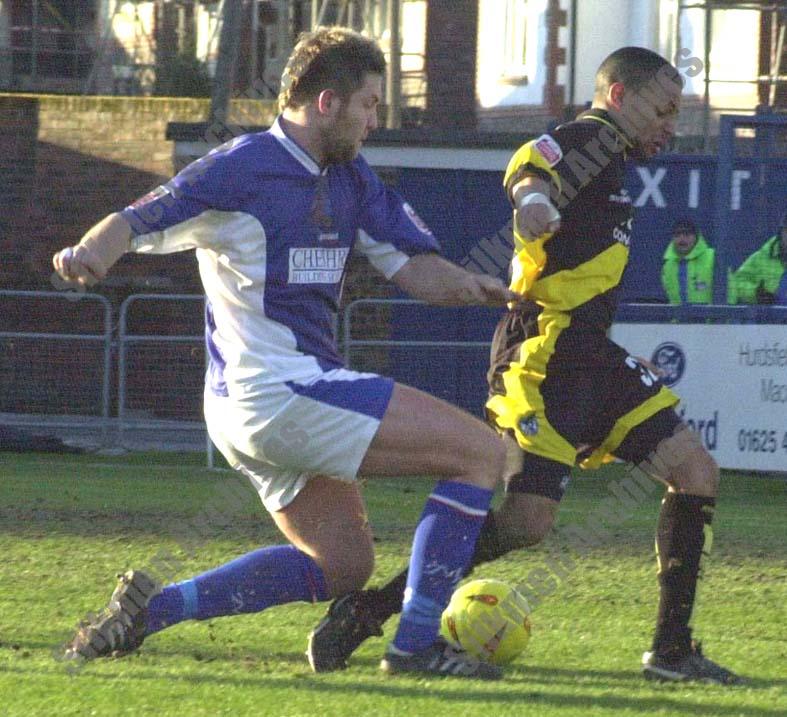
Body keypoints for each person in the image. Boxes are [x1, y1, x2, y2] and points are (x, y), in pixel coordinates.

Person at [51, 26, 519, 680]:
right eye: (368, 105)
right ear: (326, 102)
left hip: (258, 406)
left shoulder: (351, 178)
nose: (374, 121)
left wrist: (471, 287)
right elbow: (137, 217)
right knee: (480, 454)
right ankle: (414, 643)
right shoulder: (241, 167)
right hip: (278, 391)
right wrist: (91, 252)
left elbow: (416, 268)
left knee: (343, 565)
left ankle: (149, 611)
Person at [306, 46, 740, 685]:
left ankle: (671, 653)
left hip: (592, 357)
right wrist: (532, 200)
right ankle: (368, 610)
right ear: (619, 97)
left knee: (695, 469)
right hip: (542, 357)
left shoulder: (616, 161)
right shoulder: (592, 137)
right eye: (663, 110)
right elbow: (532, 162)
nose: (670, 126)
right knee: (525, 525)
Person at [727, 212, 787, 305]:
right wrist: (756, 293)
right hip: (769, 317)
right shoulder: (762, 257)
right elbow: (737, 283)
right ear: (781, 232)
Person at [661, 218, 714, 304]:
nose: (682, 239)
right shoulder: (668, 266)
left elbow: (729, 292)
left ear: (696, 237)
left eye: (687, 234)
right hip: (680, 317)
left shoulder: (713, 258)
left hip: (710, 317)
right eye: (677, 235)